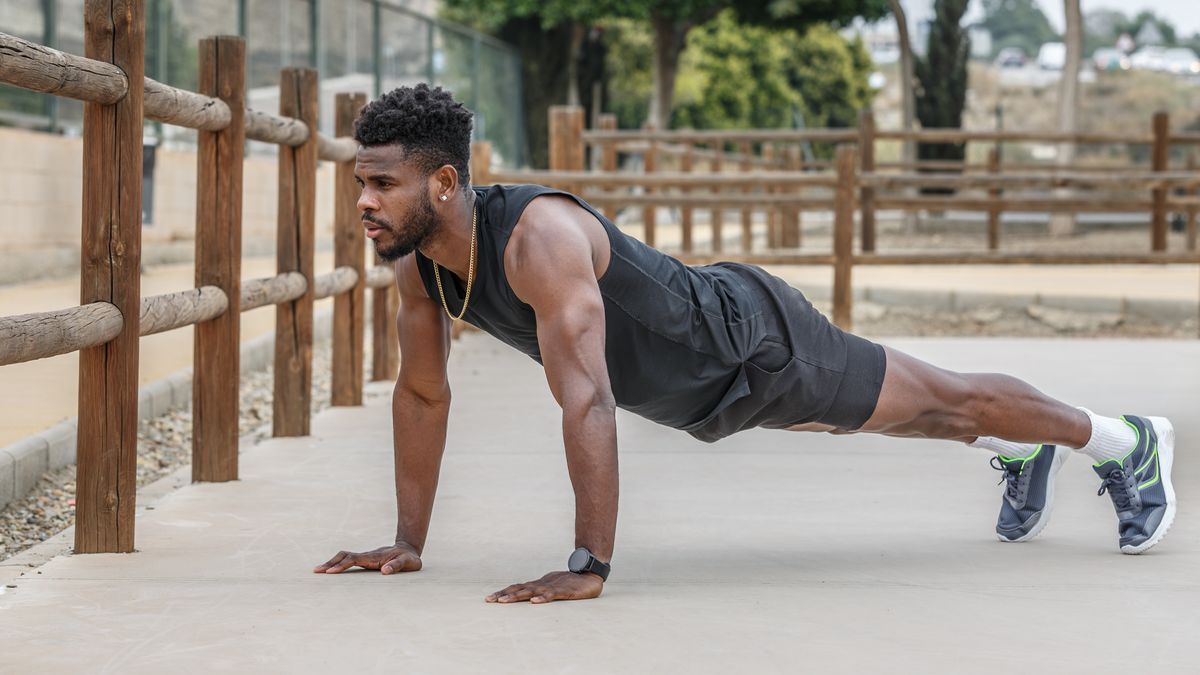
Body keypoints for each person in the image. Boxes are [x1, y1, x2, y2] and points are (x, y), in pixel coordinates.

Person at [313, 84, 1177, 604]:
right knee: (915, 419)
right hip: (703, 396)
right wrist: (408, 540)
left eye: (383, 184)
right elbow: (424, 394)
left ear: (446, 180)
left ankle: (1124, 440)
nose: (365, 202)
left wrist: (588, 565)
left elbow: (588, 397)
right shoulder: (422, 267)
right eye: (362, 184)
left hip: (752, 344)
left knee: (947, 401)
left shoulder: (538, 236)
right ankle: (1026, 451)